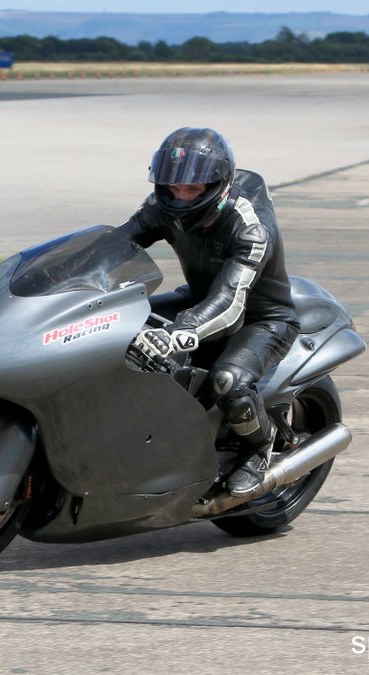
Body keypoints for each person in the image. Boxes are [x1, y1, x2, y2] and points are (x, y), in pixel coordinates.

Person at [120, 127, 300, 496]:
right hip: (198, 299)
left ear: (218, 185)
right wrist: (59, 272)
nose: (181, 197)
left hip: (261, 317)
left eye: (193, 190)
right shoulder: (163, 206)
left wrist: (176, 332)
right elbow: (119, 242)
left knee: (228, 382)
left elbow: (231, 304)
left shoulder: (250, 228)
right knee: (113, 329)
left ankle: (257, 448)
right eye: (174, 188)